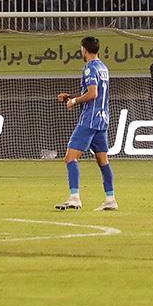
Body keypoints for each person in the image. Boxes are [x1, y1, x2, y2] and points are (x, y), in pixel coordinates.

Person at [54, 36, 117, 211]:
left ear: (84, 49)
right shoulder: (103, 67)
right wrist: (71, 97)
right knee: (103, 161)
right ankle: (110, 199)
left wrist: (74, 101)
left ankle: (74, 198)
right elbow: (95, 94)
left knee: (70, 157)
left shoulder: (90, 68)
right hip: (102, 120)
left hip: (89, 120)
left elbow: (92, 94)